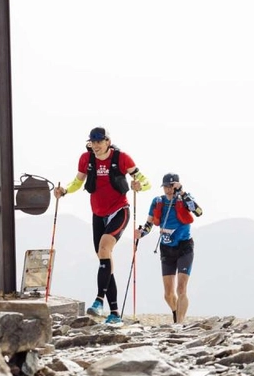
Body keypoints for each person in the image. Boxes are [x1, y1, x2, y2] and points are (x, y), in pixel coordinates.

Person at [52, 127, 151, 325]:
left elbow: (145, 182)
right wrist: (64, 192)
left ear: (108, 141)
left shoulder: (122, 158)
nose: (96, 145)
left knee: (105, 247)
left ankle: (98, 301)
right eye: (93, 142)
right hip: (98, 214)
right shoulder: (86, 159)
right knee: (104, 259)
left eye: (100, 141)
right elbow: (78, 182)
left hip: (119, 211)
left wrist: (140, 186)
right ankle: (114, 313)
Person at [134, 173, 202, 324]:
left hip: (184, 246)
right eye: (166, 186)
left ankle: (179, 323)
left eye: (171, 186)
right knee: (168, 294)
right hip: (166, 249)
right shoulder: (158, 201)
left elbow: (198, 211)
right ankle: (177, 314)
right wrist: (141, 233)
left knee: (181, 288)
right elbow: (149, 224)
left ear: (177, 185)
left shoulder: (184, 199)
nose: (168, 189)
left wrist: (183, 193)